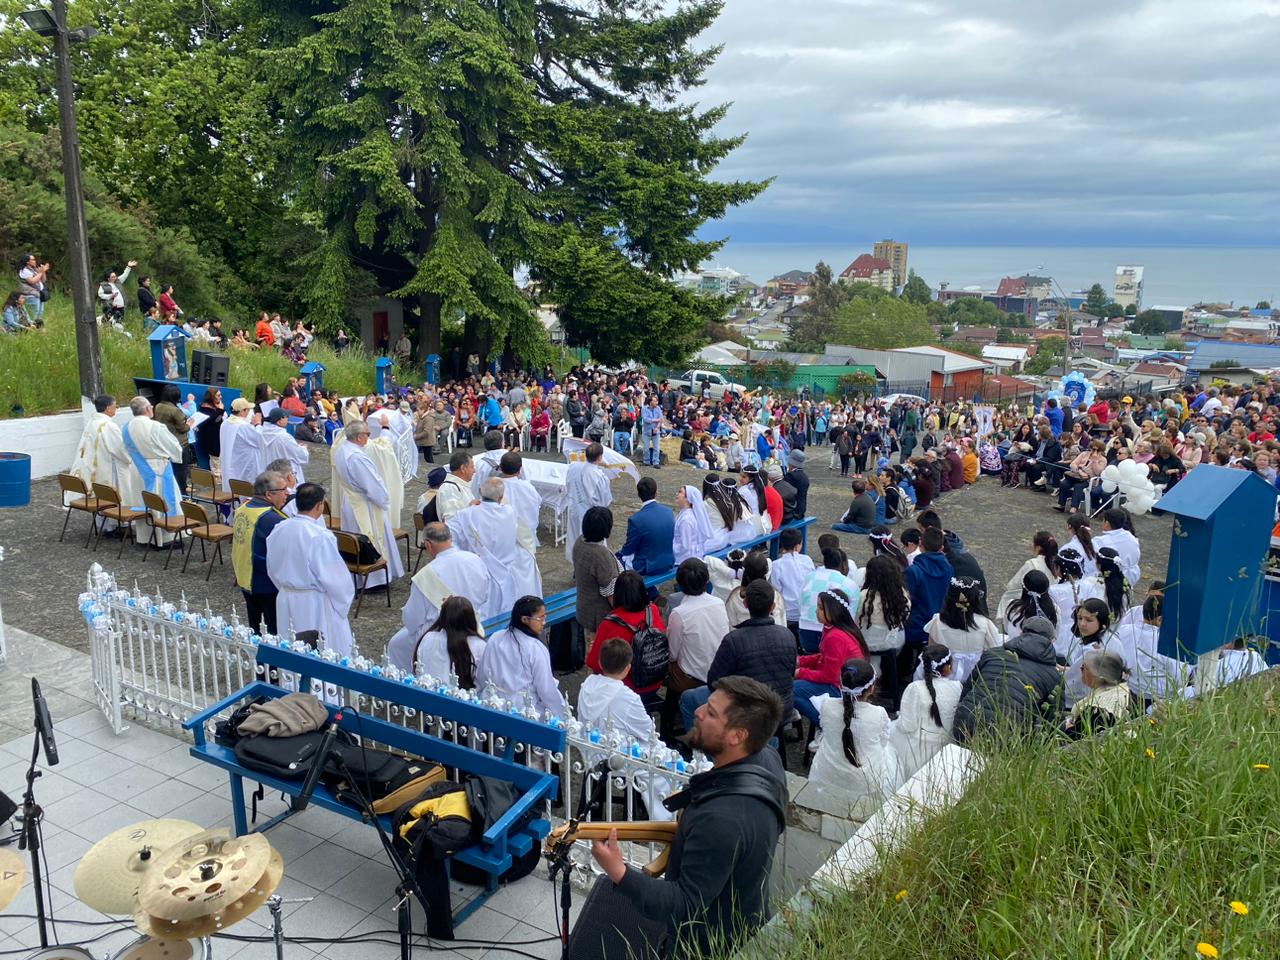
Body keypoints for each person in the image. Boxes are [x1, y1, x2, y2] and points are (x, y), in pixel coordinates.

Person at [591, 675, 787, 960]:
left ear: (738, 736)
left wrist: (619, 872)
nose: (697, 712)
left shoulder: (721, 819)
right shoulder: (769, 760)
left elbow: (683, 904)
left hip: (706, 947)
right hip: (745, 924)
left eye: (710, 713)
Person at [678, 580, 796, 735]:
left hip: (747, 711)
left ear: (745, 604)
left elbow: (714, 682)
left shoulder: (734, 639)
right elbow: (791, 673)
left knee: (688, 698)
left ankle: (701, 752)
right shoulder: (787, 635)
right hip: (782, 708)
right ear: (773, 606)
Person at [264, 483, 356, 657]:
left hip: (286, 596)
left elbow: (272, 567)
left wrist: (287, 587)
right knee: (319, 646)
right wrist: (342, 604)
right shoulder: (320, 536)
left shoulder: (279, 529)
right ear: (319, 505)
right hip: (313, 601)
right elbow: (336, 580)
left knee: (290, 643)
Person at [387, 522, 491, 671]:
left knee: (395, 645)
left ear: (428, 544)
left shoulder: (426, 575)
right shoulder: (474, 560)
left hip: (437, 631)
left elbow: (412, 620)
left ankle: (407, 685)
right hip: (471, 624)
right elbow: (485, 596)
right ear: (450, 538)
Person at [805, 658, 900, 813]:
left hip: (829, 771)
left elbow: (826, 729)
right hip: (865, 780)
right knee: (888, 752)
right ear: (871, 689)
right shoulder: (879, 714)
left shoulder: (827, 705)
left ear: (841, 684)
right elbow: (883, 743)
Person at [952, 616, 1064, 745]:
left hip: (964, 723)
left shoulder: (992, 654)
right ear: (1051, 640)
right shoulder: (1054, 676)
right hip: (1008, 736)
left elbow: (968, 687)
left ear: (1021, 632)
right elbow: (1054, 720)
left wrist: (962, 710)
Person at [448, 477, 542, 614]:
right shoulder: (511, 512)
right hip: (505, 573)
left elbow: (449, 537)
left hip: (478, 573)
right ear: (502, 497)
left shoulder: (466, 515)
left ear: (480, 491)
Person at [332, 420, 405, 588]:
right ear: (359, 437)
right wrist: (384, 500)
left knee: (355, 538)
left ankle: (360, 577)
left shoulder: (342, 449)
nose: (369, 437)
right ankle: (375, 579)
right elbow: (372, 485)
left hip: (351, 500)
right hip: (364, 505)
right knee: (371, 538)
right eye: (367, 434)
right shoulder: (357, 458)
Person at [477, 596, 567, 717]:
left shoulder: (495, 637)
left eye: (545, 617)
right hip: (521, 709)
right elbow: (547, 690)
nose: (544, 623)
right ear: (525, 619)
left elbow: (482, 675)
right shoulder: (536, 648)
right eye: (540, 618)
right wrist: (562, 715)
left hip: (492, 702)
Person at [793, 590, 869, 725]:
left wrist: (800, 672)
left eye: (821, 608)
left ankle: (828, 724)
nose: (817, 611)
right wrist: (801, 661)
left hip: (841, 687)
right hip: (840, 682)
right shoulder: (832, 628)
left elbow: (829, 676)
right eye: (817, 606)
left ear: (834, 611)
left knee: (791, 690)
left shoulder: (835, 636)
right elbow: (824, 657)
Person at [587, 571, 667, 697]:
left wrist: (591, 651)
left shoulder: (610, 623)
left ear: (618, 594)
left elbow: (594, 663)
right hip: (655, 680)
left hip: (627, 689)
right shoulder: (653, 611)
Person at [665, 558, 731, 708]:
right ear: (707, 579)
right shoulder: (719, 603)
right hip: (719, 671)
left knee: (664, 667)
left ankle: (669, 716)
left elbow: (672, 654)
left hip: (692, 678)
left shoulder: (679, 613)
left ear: (680, 584)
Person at [890, 643, 962, 779]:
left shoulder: (914, 688)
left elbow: (907, 726)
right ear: (948, 667)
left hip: (917, 752)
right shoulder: (957, 687)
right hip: (948, 748)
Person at [231, 470, 290, 634]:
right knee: (275, 629)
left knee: (255, 624)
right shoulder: (272, 519)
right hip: (266, 582)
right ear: (269, 495)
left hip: (244, 575)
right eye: (283, 490)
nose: (287, 493)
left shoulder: (243, 508)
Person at [121, 397, 183, 527]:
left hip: (138, 468)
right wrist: (175, 455)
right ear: (148, 408)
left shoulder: (126, 427)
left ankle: (146, 536)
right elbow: (173, 446)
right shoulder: (155, 426)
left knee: (141, 498)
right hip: (157, 468)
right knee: (162, 499)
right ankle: (167, 534)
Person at [903, 526, 955, 681]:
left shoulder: (914, 571)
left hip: (916, 627)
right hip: (941, 626)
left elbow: (906, 601)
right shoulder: (949, 568)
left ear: (921, 545)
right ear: (941, 547)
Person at [70, 394, 138, 512]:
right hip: (109, 467)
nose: (116, 409)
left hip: (95, 466)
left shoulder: (92, 422)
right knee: (115, 493)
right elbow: (119, 449)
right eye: (115, 406)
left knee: (100, 492)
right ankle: (117, 522)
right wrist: (131, 458)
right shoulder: (108, 425)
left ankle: (106, 525)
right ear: (107, 408)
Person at [409, 596, 487, 687]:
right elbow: (484, 680)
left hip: (427, 693)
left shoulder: (428, 638)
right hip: (460, 698)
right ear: (471, 619)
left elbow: (415, 665)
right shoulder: (479, 646)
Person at [1063, 650, 1132, 739]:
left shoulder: (1097, 708)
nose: (1080, 670)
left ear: (1099, 676)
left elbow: (1077, 738)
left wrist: (1068, 728)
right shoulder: (1127, 690)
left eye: (1084, 668)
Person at [565, 441, 613, 561]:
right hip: (591, 515)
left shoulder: (574, 466)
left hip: (575, 507)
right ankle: (590, 567)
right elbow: (605, 500)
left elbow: (568, 484)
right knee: (592, 544)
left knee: (575, 538)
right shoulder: (599, 476)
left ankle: (577, 566)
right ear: (600, 457)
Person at [619, 477, 676, 574]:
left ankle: (650, 589)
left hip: (647, 566)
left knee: (619, 561)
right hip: (668, 561)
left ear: (639, 495)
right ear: (656, 493)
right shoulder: (669, 512)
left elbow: (628, 549)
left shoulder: (636, 520)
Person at [769, 526, 814, 642]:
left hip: (788, 614)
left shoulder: (776, 565)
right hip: (806, 611)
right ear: (798, 545)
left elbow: (777, 591)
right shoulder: (807, 560)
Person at [496, 451, 543, 548]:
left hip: (503, 541)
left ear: (500, 468)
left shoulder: (494, 488)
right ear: (520, 469)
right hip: (526, 540)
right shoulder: (528, 488)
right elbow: (538, 503)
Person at [219, 398, 264, 492]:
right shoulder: (243, 426)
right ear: (243, 411)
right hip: (243, 464)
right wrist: (258, 424)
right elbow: (259, 439)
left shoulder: (225, 423)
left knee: (233, 488)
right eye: (248, 410)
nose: (249, 412)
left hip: (230, 461)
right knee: (244, 491)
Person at [259, 407, 310, 483]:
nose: (288, 419)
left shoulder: (263, 434)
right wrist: (303, 448)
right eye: (286, 417)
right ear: (279, 421)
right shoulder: (284, 437)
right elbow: (300, 455)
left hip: (270, 473)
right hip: (286, 475)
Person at [1094, 508, 1141, 586]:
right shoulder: (1131, 537)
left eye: (1103, 520)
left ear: (1107, 523)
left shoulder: (1100, 541)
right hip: (1131, 577)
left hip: (1110, 578)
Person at [672, 484, 713, 565]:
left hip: (684, 559)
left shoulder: (686, 520)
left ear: (687, 498)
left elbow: (685, 546)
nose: (677, 495)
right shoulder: (686, 513)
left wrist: (669, 548)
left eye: (680, 492)